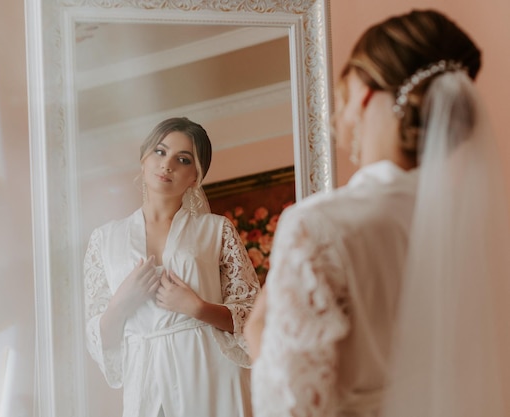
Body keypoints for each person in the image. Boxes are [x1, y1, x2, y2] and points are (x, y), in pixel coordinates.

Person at [245, 9, 510, 417]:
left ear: (364, 93)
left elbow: (291, 407)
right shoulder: (478, 228)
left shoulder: (318, 226)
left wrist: (256, 331)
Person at [83, 117, 260, 417]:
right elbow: (97, 337)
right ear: (143, 159)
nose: (167, 165)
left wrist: (198, 308)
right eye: (160, 152)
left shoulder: (216, 230)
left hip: (208, 370)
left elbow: (251, 314)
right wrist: (121, 304)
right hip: (144, 376)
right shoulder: (105, 238)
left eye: (183, 159)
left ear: (195, 176)